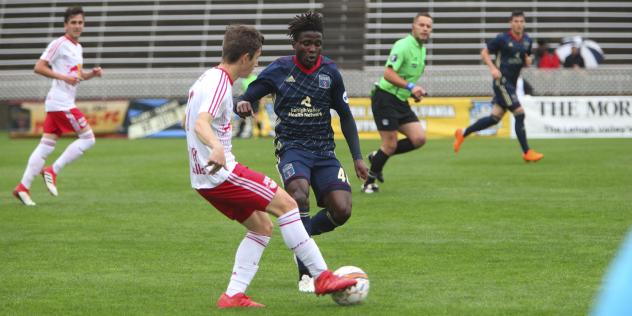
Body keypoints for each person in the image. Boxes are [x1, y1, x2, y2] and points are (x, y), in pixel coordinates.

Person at [185, 24, 357, 309]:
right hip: (222, 173)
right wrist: (215, 147)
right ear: (245, 57)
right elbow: (202, 122)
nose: (257, 64)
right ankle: (322, 276)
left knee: (262, 227)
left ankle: (233, 295)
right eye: (256, 58)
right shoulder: (219, 83)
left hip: (203, 178)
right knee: (289, 205)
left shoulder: (205, 79)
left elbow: (189, 121)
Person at [235, 11, 368, 293]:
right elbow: (249, 93)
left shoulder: (330, 72)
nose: (312, 49)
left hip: (324, 152)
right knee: (298, 196)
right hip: (292, 149)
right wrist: (244, 102)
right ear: (295, 43)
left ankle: (301, 239)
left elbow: (345, 115)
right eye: (307, 43)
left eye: (317, 44)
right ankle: (307, 274)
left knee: (342, 210)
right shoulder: (280, 69)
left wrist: (357, 157)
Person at [13, 6, 103, 206]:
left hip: (59, 103)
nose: (77, 26)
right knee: (88, 138)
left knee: (45, 146)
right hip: (61, 103)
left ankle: (23, 188)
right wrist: (63, 77)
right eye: (73, 22)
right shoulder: (59, 44)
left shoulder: (78, 47)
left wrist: (90, 74)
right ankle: (52, 170)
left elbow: (75, 76)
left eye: (80, 22)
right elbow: (39, 67)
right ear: (65, 25)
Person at [454, 11, 544, 162]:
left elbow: (525, 58)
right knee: (519, 114)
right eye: (516, 21)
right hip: (501, 82)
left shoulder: (528, 40)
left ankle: (462, 133)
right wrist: (493, 69)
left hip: (512, 84)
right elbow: (484, 53)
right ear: (511, 23)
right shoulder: (502, 39)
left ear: (524, 23)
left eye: (521, 21)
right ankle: (527, 152)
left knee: (494, 118)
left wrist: (527, 61)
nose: (519, 24)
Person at [361, 12, 432, 194]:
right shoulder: (403, 45)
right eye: (421, 25)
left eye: (428, 26)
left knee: (419, 138)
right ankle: (369, 182)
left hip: (400, 100)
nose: (425, 29)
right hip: (384, 97)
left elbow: (406, 77)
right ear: (413, 27)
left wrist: (413, 92)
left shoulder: (421, 49)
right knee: (390, 144)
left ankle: (377, 156)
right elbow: (388, 73)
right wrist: (411, 86)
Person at [234, 73, 262, 138]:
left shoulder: (255, 78)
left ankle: (260, 132)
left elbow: (260, 89)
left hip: (255, 99)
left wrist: (261, 99)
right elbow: (244, 91)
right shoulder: (244, 80)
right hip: (247, 99)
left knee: (255, 116)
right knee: (243, 115)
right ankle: (240, 133)